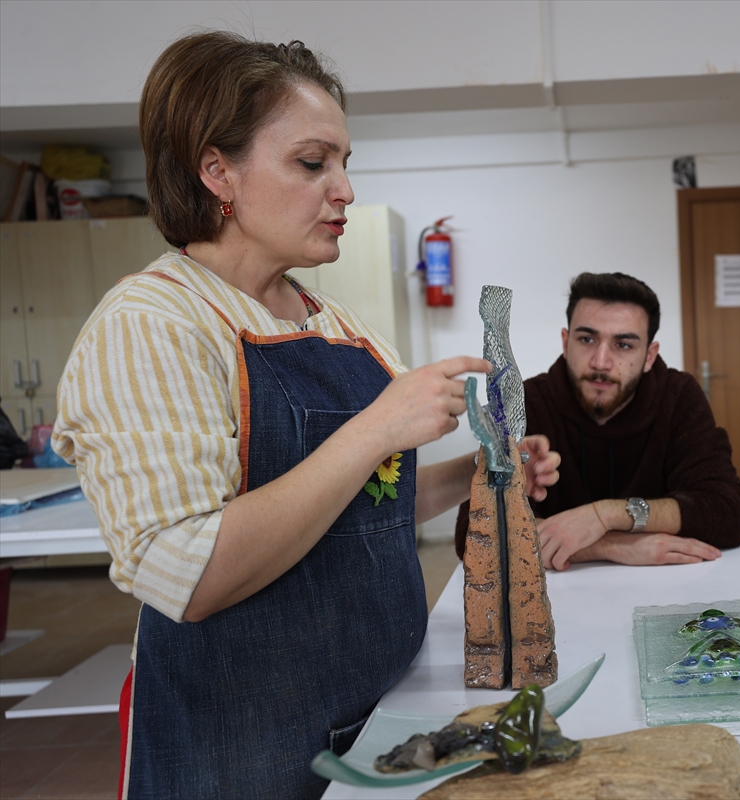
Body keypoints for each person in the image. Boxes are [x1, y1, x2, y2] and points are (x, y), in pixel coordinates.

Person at [51, 32, 558, 800]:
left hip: (375, 716)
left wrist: (475, 474)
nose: (345, 188)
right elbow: (190, 576)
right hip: (241, 743)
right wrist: (379, 425)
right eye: (313, 163)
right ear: (216, 170)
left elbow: (367, 504)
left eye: (346, 162)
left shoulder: (337, 326)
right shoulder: (153, 323)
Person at [455, 272, 740, 569]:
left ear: (649, 355)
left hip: (667, 588)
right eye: (587, 339)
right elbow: (473, 535)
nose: (601, 362)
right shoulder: (528, 401)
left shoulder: (679, 396)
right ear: (566, 343)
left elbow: (727, 514)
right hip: (556, 599)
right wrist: (611, 545)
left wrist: (606, 515)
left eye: (623, 345)